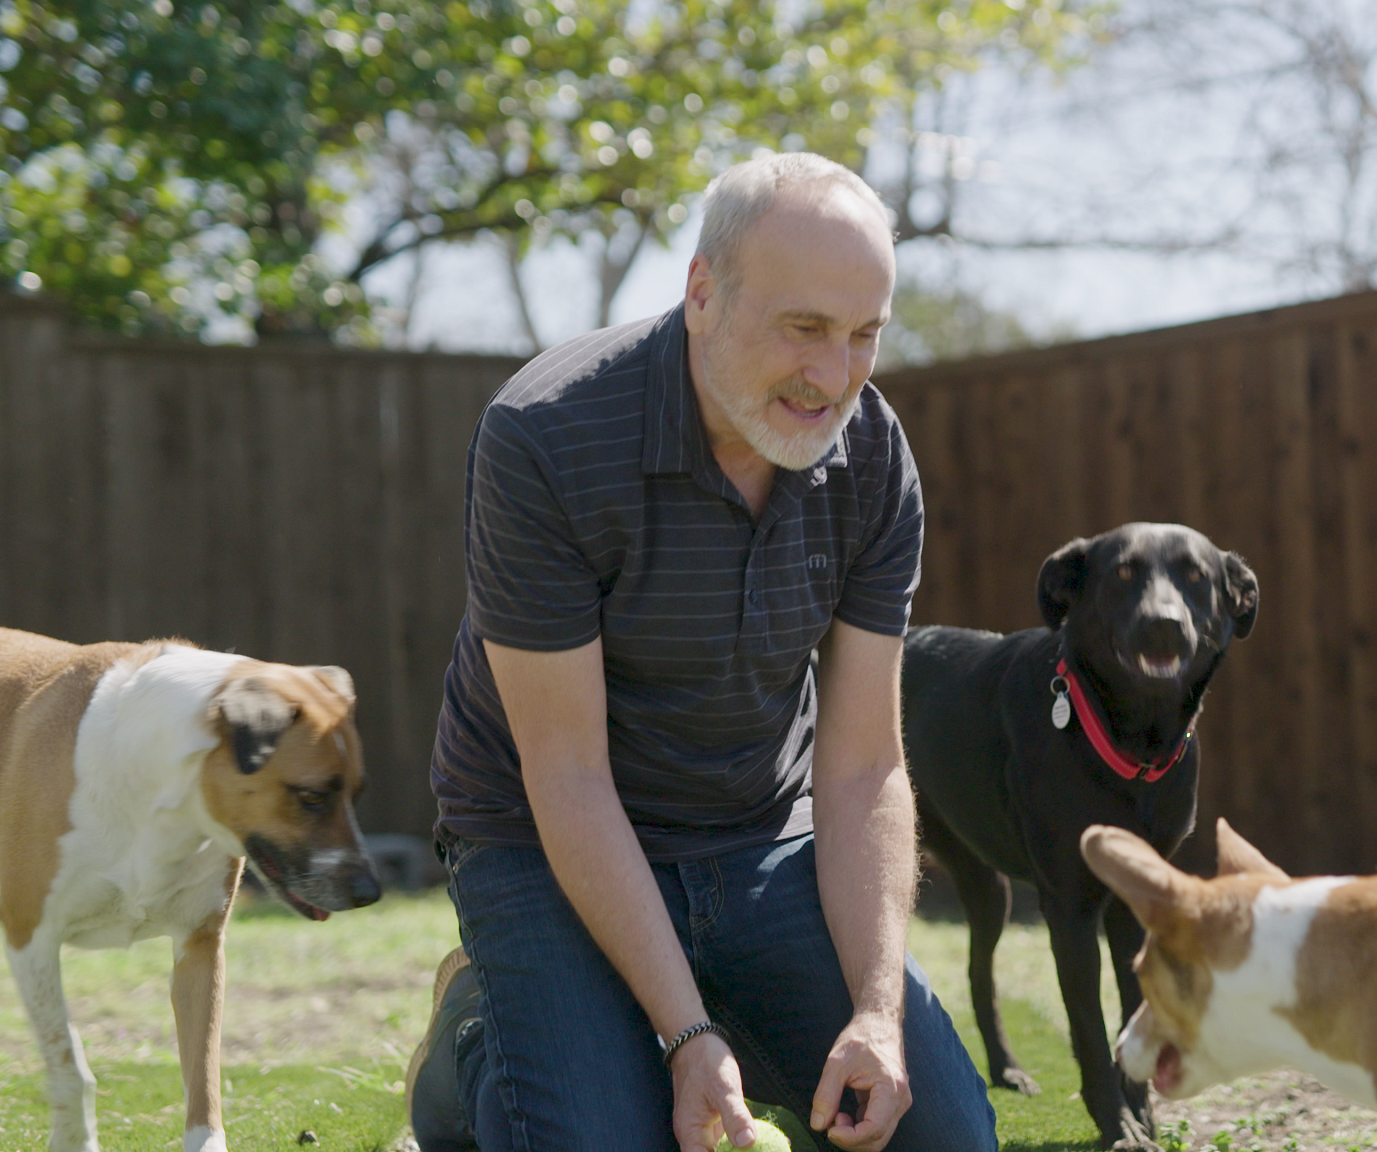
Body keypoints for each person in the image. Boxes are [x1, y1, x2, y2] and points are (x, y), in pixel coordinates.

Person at [405, 152, 997, 1152]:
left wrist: (876, 1014)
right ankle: (475, 1038)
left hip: (758, 832)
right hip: (542, 837)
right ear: (702, 293)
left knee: (942, 1137)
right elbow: (568, 776)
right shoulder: (544, 438)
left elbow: (861, 766)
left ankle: (661, 1026)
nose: (832, 375)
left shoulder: (874, 458)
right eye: (803, 328)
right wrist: (687, 1034)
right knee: (603, 1137)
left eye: (862, 337)